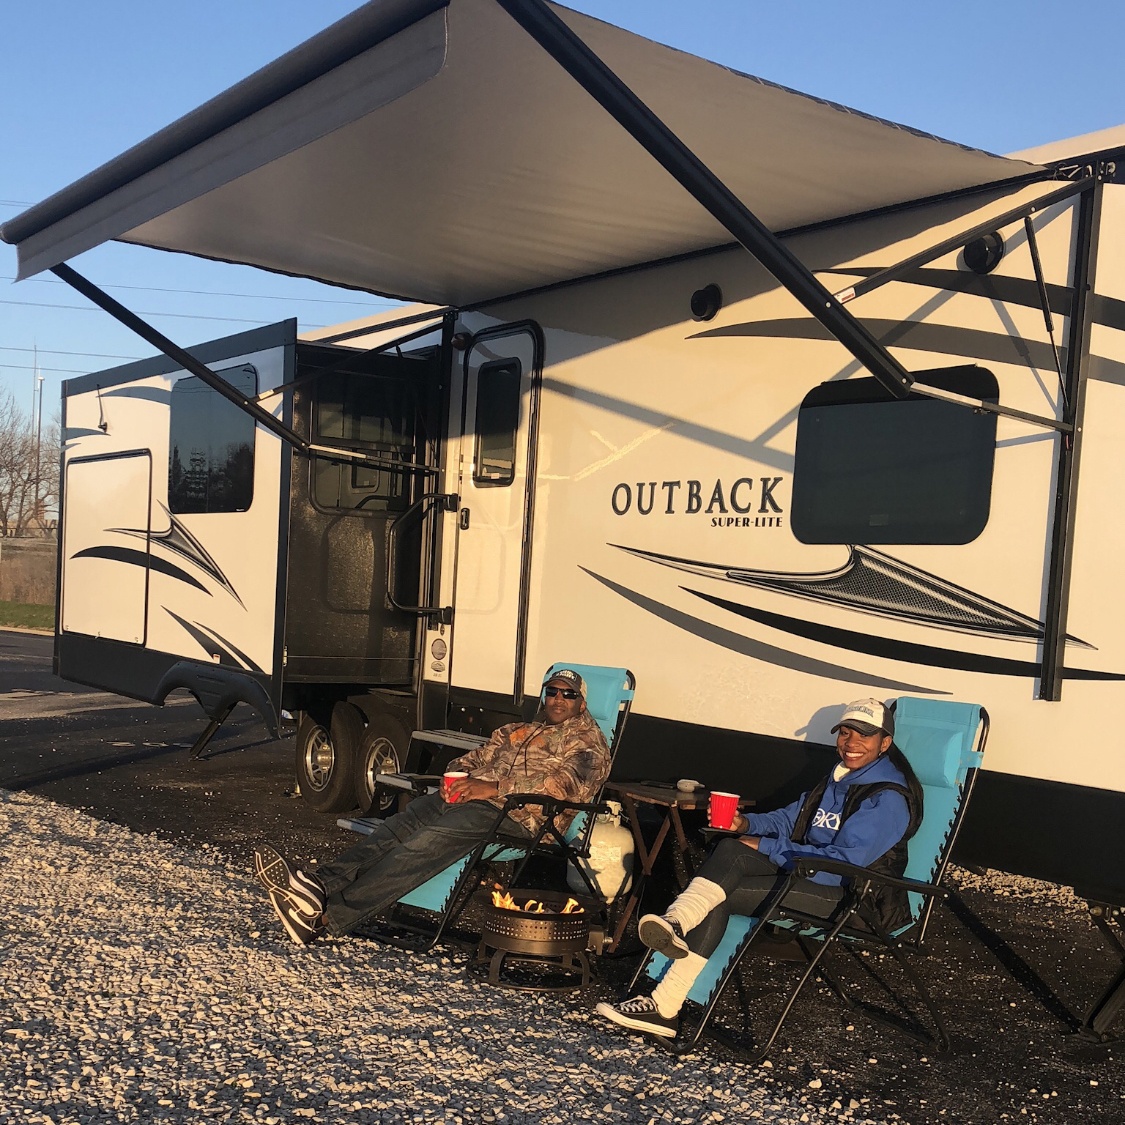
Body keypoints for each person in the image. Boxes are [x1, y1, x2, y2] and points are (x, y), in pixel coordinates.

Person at [596, 697, 922, 1038]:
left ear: (884, 743)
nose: (851, 742)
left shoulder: (887, 799)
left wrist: (767, 846)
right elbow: (790, 817)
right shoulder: (838, 779)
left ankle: (666, 997)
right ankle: (675, 933)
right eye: (845, 732)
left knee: (718, 891)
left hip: (851, 898)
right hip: (808, 875)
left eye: (864, 735)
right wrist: (746, 825)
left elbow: (845, 863)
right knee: (730, 852)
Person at [254, 668, 611, 945]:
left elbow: (567, 787)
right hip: (472, 799)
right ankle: (317, 887)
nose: (558, 699)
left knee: (422, 845)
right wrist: (456, 775)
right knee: (399, 826)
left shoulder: (588, 743)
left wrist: (494, 787)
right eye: (552, 691)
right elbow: (478, 755)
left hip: (520, 817)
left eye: (568, 694)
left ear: (582, 703)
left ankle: (329, 916)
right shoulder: (520, 730)